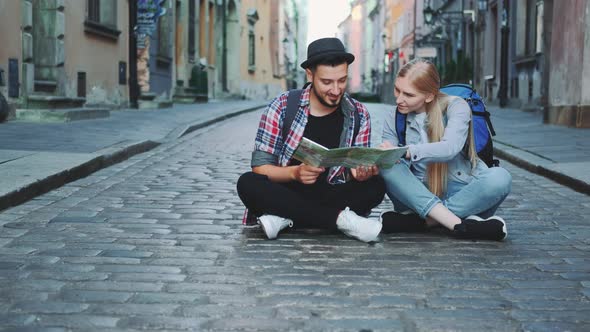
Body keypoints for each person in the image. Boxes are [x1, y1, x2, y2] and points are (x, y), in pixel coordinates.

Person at [237, 37, 385, 242]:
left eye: (342, 80)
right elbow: (261, 168)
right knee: (248, 183)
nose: (335, 90)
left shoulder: (358, 113)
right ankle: (341, 220)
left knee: (376, 186)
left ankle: (285, 218)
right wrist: (295, 173)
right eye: (326, 82)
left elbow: (354, 170)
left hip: (332, 193)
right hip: (287, 191)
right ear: (310, 74)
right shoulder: (282, 106)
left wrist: (361, 173)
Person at [379, 59, 511, 241]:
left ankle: (426, 222)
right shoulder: (393, 117)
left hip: (462, 193)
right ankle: (461, 225)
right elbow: (392, 161)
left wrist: (405, 151)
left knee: (500, 177)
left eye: (408, 94)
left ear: (429, 96)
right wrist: (385, 153)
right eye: (397, 89)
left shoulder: (457, 106)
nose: (399, 99)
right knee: (386, 166)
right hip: (416, 196)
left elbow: (450, 147)